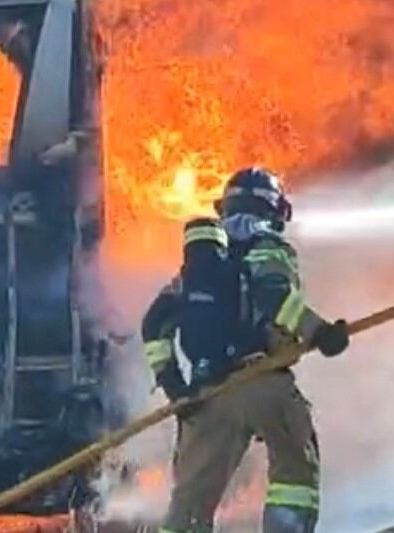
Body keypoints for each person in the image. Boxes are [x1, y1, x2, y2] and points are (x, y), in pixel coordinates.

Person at [141, 167, 350, 533]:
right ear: (275, 209)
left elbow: (154, 323)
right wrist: (320, 333)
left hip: (207, 394)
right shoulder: (267, 245)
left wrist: (176, 387)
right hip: (260, 379)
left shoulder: (203, 264)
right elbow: (273, 296)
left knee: (191, 501)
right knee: (295, 472)